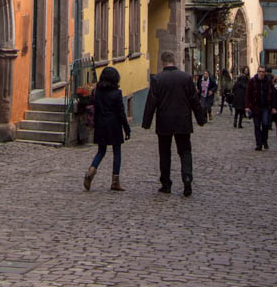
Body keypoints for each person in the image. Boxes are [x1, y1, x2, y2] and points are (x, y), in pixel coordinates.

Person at [142, 50, 206, 196]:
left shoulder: (158, 79)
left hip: (164, 121)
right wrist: (200, 118)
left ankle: (166, 183)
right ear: (174, 61)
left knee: (164, 153)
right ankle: (187, 177)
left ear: (162, 63)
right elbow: (193, 99)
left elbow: (151, 102)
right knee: (185, 151)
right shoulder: (186, 78)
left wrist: (147, 122)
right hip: (183, 121)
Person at [83, 66, 131, 192]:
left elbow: (92, 104)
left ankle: (91, 171)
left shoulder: (96, 91)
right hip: (114, 125)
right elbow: (121, 113)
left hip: (100, 124)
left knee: (101, 151)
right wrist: (127, 129)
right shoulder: (116, 93)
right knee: (117, 152)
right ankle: (115, 182)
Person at [246, 64, 277, 151]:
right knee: (256, 126)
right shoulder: (252, 81)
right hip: (255, 107)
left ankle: (264, 140)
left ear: (265, 73)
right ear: (257, 72)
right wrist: (247, 106)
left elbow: (273, 95)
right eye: (260, 72)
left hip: (266, 107)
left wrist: (274, 107)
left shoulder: (268, 82)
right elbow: (248, 95)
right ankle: (259, 144)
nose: (261, 73)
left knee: (265, 125)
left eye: (263, 72)